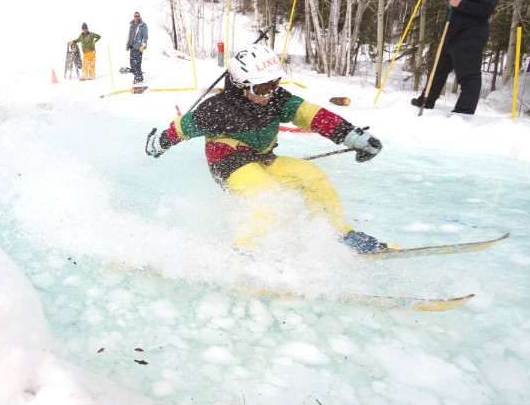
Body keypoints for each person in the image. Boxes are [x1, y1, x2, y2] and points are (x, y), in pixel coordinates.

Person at [145, 44, 394, 254]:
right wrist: (157, 144)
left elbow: (311, 115)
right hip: (228, 163)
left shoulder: (276, 99)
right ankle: (244, 255)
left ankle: (338, 234)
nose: (269, 93)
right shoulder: (217, 109)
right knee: (267, 195)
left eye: (274, 83)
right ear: (241, 84)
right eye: (261, 88)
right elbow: (182, 128)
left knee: (312, 175)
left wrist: (353, 137)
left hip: (261, 158)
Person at [412, 0, 502, 114]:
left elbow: (487, 9)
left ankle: (464, 111)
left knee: (467, 75)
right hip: (451, 35)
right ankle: (426, 100)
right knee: (437, 70)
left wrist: (461, 4)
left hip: (470, 35)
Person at [125, 12, 148, 84]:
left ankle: (139, 78)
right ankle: (137, 76)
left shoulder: (143, 25)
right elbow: (129, 35)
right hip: (132, 46)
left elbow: (145, 36)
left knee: (137, 63)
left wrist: (143, 45)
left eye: (138, 16)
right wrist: (127, 45)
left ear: (140, 16)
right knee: (132, 63)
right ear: (134, 17)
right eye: (135, 16)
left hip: (138, 47)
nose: (137, 17)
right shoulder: (131, 24)